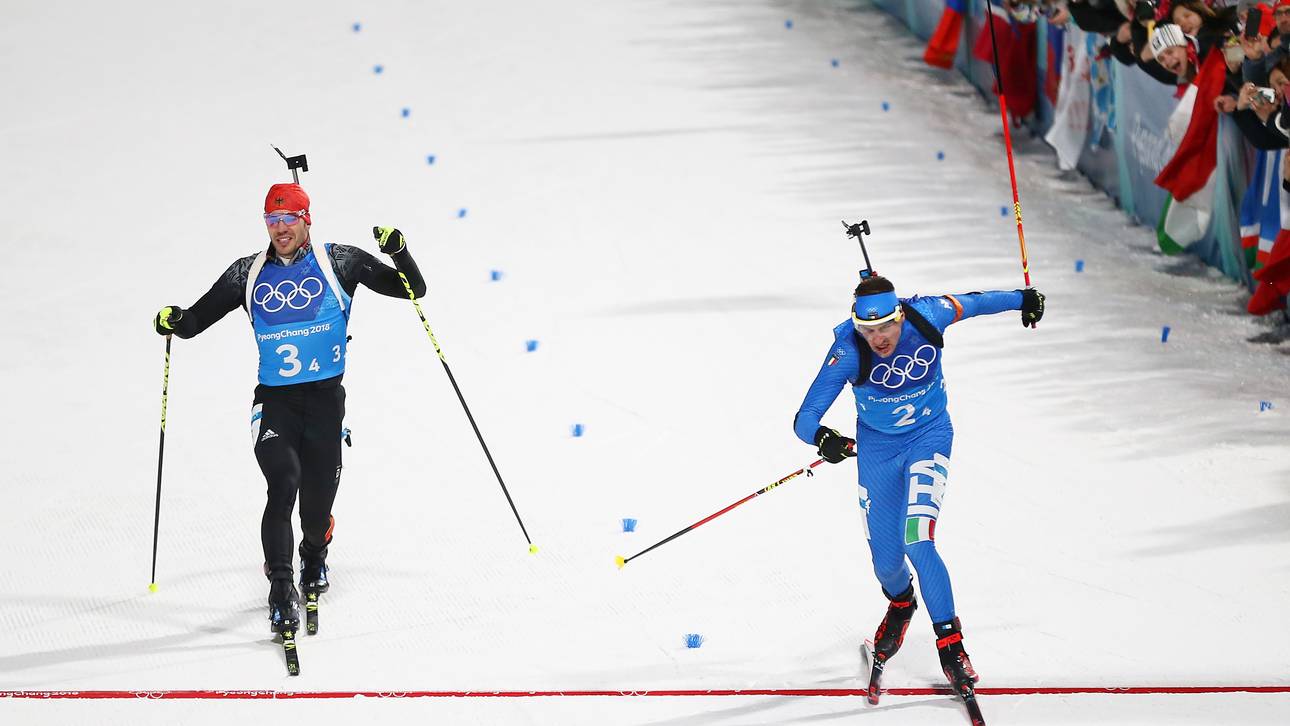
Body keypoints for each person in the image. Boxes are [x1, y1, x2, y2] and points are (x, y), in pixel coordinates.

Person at [152, 182, 427, 635]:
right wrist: (175, 320)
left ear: (306, 220)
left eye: (288, 219)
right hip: (276, 402)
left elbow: (413, 289)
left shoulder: (338, 262)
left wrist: (399, 251)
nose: (280, 229)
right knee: (284, 483)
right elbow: (196, 321)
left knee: (316, 509)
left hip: (324, 403)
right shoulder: (248, 272)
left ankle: (315, 555)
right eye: (272, 220)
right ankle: (281, 588)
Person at [792, 273, 1044, 695]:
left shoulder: (928, 314)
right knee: (886, 563)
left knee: (918, 538)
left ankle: (951, 647)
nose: (880, 339)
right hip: (878, 453)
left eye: (887, 327)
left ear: (900, 314)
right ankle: (901, 602)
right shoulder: (849, 351)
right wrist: (825, 440)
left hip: (929, 438)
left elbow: (975, 302)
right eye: (868, 330)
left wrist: (1023, 299)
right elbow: (804, 419)